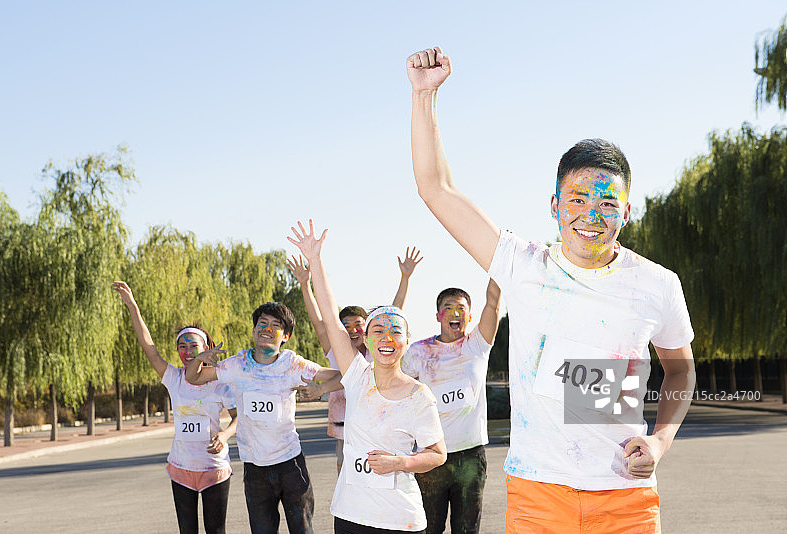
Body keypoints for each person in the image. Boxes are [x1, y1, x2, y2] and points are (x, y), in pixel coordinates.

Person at [407, 48, 696, 533]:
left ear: (626, 211)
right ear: (554, 205)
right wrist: (424, 95)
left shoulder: (658, 284)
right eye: (577, 199)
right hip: (538, 495)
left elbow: (680, 368)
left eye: (607, 202)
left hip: (625, 497)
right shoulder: (522, 264)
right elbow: (435, 188)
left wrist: (661, 440)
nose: (590, 214)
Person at [288, 219, 447, 534]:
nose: (386, 338)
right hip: (351, 516)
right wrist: (316, 262)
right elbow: (331, 320)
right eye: (378, 331)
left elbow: (437, 454)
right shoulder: (357, 375)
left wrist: (400, 462)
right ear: (367, 339)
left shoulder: (418, 395)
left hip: (399, 519)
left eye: (395, 332)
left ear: (406, 340)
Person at [185, 300, 341, 534]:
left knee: (303, 530)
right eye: (262, 323)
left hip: (290, 464)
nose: (267, 330)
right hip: (255, 468)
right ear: (254, 329)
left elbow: (344, 375)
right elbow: (194, 378)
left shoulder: (292, 364)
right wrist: (199, 358)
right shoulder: (237, 364)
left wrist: (321, 389)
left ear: (285, 335)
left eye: (275, 325)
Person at [112, 281, 237, 534]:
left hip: (214, 468)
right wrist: (133, 307)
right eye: (183, 346)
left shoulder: (219, 381)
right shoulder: (173, 377)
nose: (188, 351)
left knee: (216, 530)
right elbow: (149, 348)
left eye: (194, 346)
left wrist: (225, 435)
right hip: (181, 469)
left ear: (206, 348)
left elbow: (239, 417)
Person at [287, 247, 423, 473]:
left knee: (380, 475)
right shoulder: (335, 349)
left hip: (379, 422)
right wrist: (304, 284)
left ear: (368, 328)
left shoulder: (377, 349)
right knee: (347, 476)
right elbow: (319, 321)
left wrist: (405, 278)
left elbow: (393, 312)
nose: (352, 330)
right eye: (346, 326)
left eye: (358, 325)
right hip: (344, 425)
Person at [400, 280, 500, 534]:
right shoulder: (418, 352)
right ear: (437, 316)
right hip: (430, 455)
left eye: (460, 308)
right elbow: (400, 392)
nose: (455, 313)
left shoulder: (477, 344)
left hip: (470, 457)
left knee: (466, 529)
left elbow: (493, 303)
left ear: (469, 315)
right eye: (448, 307)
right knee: (427, 528)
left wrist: (500, 259)